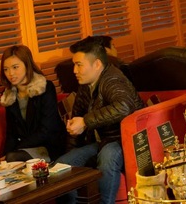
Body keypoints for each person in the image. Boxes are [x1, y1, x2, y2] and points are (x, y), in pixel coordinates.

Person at [55, 36, 144, 204]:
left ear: (96, 64)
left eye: (79, 65)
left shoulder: (112, 79)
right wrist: (71, 151)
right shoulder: (85, 85)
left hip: (124, 140)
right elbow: (76, 121)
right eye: (74, 64)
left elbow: (124, 106)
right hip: (102, 141)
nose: (74, 70)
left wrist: (85, 121)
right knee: (62, 166)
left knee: (108, 156)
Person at [0, 44, 66, 162]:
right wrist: (3, 158)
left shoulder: (45, 87)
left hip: (48, 146)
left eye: (15, 67)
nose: (10, 73)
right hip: (24, 149)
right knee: (6, 160)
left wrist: (15, 150)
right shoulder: (9, 95)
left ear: (27, 65)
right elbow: (11, 133)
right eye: (6, 69)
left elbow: (47, 129)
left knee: (13, 157)